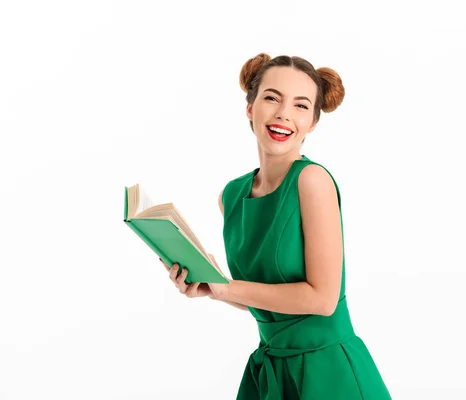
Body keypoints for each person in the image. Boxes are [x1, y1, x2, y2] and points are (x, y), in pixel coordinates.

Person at [161, 53, 391, 399]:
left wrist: (229, 288)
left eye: (300, 105)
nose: (284, 113)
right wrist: (214, 287)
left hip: (328, 373)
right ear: (250, 107)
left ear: (313, 122)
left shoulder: (312, 181)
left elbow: (322, 299)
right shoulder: (232, 195)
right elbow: (268, 301)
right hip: (270, 372)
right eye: (271, 98)